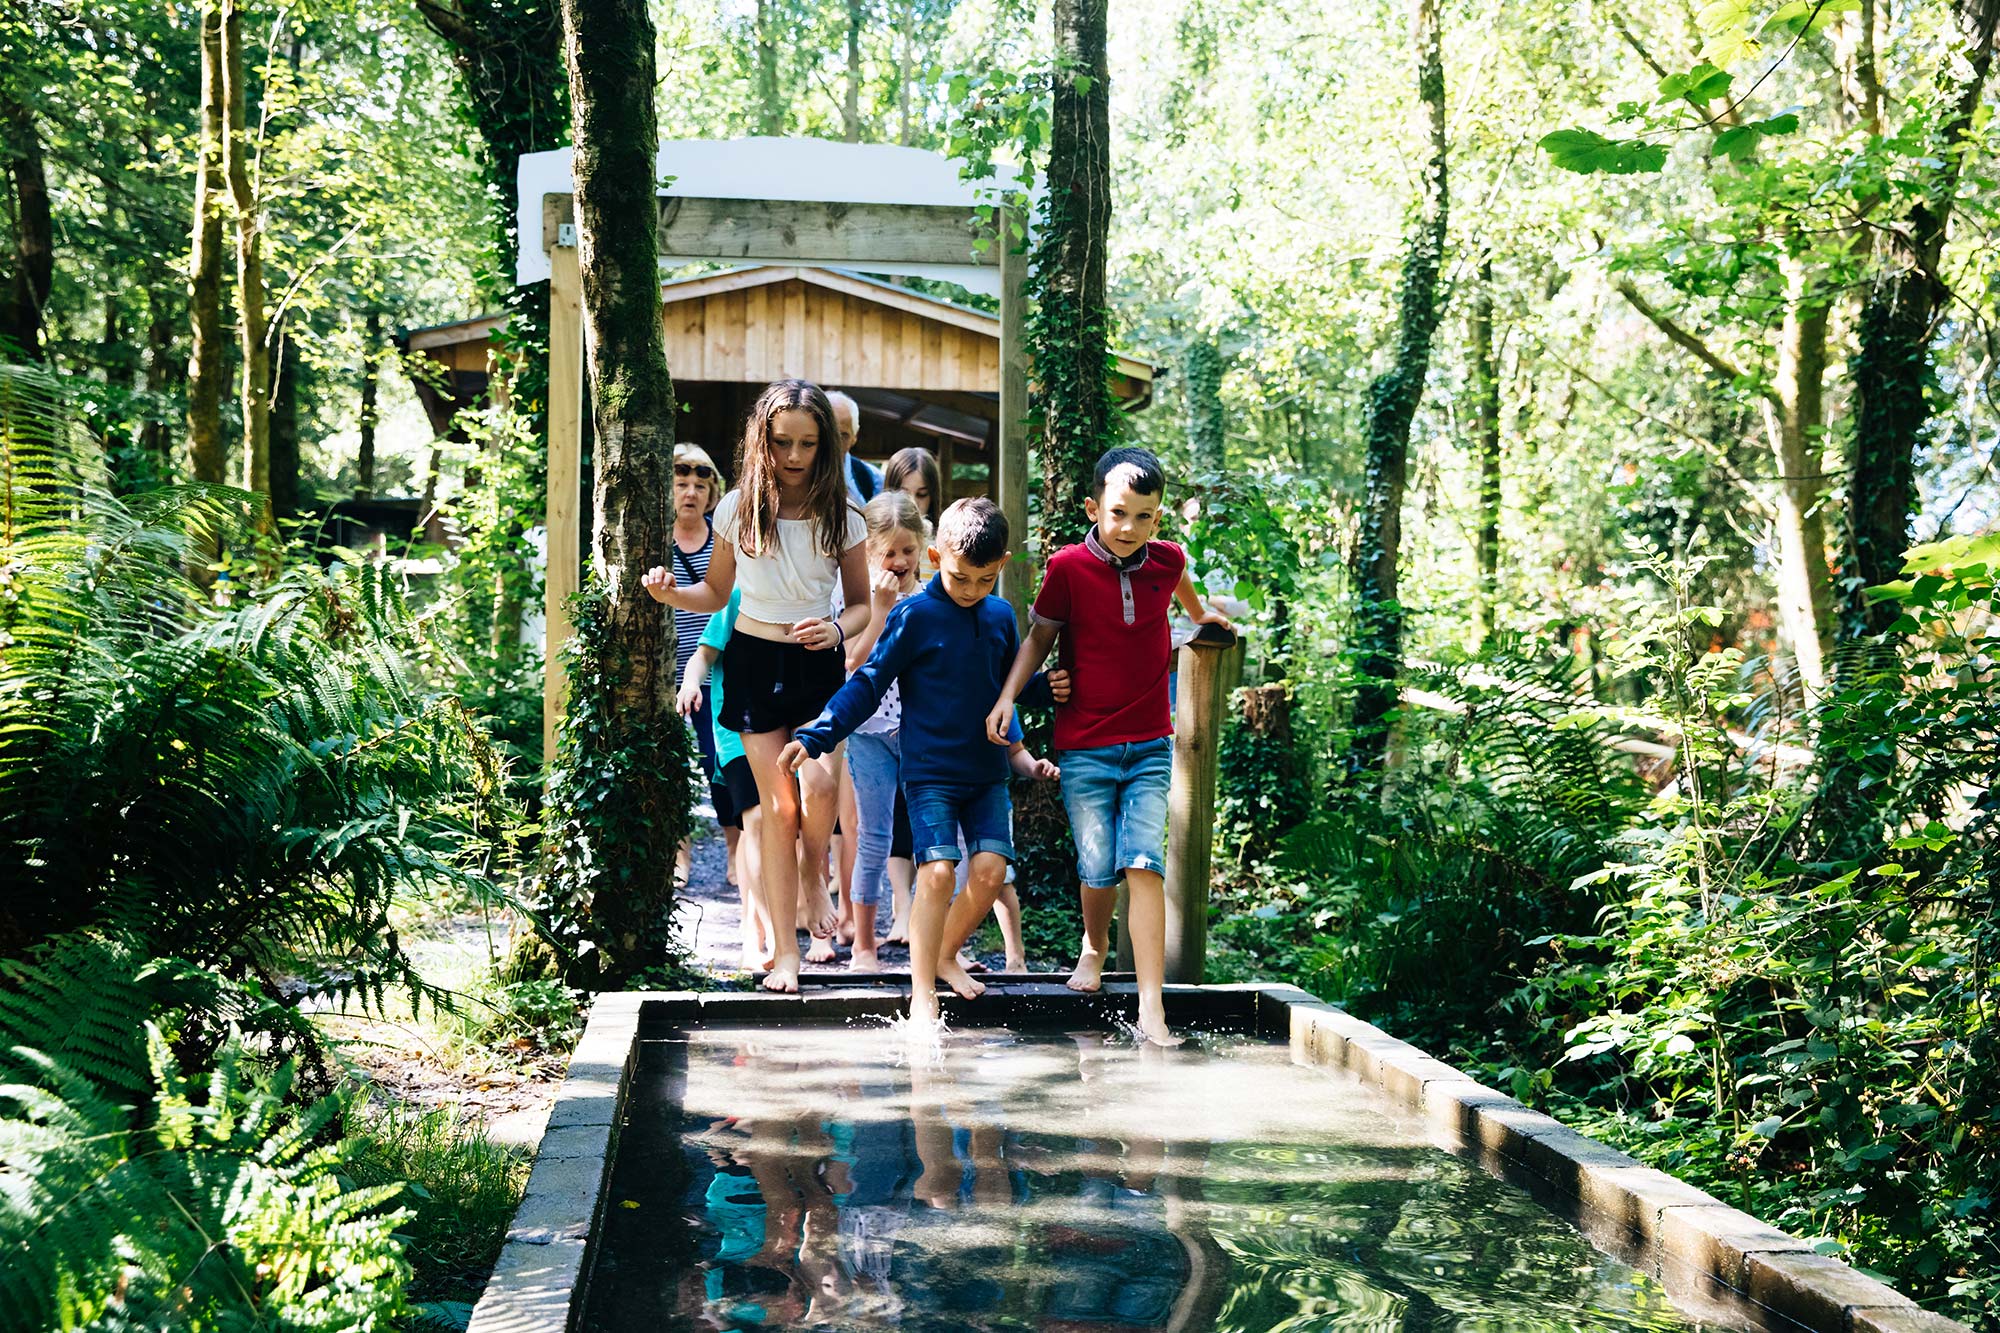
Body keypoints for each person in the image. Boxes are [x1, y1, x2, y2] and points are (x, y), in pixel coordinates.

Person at [986, 447, 1234, 1046]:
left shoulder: (1168, 561)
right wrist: (1009, 698)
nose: (1129, 528)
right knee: (1098, 871)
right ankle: (1093, 947)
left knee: (1142, 865)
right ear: (1094, 507)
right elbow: (1039, 640)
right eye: (1119, 513)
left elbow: (1189, 600)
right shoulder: (1068, 568)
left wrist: (1209, 619)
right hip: (1085, 746)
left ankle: (1152, 1007)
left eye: (1144, 516)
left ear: (1158, 518)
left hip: (1150, 743)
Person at [780, 498, 1058, 1027]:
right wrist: (818, 734)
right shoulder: (913, 614)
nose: (971, 590)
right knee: (935, 873)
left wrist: (1045, 689)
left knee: (991, 869)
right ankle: (923, 989)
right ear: (935, 557)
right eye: (959, 578)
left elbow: (1007, 685)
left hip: (987, 773)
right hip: (929, 772)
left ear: (1001, 566)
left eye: (983, 579)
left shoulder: (1000, 616)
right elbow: (867, 684)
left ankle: (946, 953)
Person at [644, 379, 870, 994]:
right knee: (776, 809)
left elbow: (861, 607)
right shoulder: (738, 506)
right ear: (762, 441)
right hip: (751, 660)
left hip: (815, 664)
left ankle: (812, 872)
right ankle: (787, 953)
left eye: (807, 444)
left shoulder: (844, 515)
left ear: (826, 446)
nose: (794, 456)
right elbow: (714, 593)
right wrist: (669, 591)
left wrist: (834, 627)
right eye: (782, 443)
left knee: (820, 785)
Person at [678, 587, 770, 971]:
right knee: (758, 820)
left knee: (783, 825)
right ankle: (754, 936)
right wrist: (689, 684)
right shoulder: (740, 595)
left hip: (782, 728)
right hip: (734, 730)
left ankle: (782, 922)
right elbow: (703, 655)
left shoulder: (804, 591)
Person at [668, 443, 725, 886]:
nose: (690, 493)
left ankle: (737, 859)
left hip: (714, 674)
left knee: (720, 764)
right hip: (665, 675)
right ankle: (678, 858)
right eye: (681, 483)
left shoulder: (722, 543)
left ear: (711, 492)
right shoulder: (652, 539)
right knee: (673, 770)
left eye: (699, 485)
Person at [825, 389, 882, 504]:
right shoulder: (795, 475)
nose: (835, 443)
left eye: (843, 436)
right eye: (829, 433)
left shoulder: (873, 480)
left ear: (854, 437)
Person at [883, 446, 942, 530]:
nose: (913, 503)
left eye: (922, 494)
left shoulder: (944, 539)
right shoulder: (869, 538)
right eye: (903, 495)